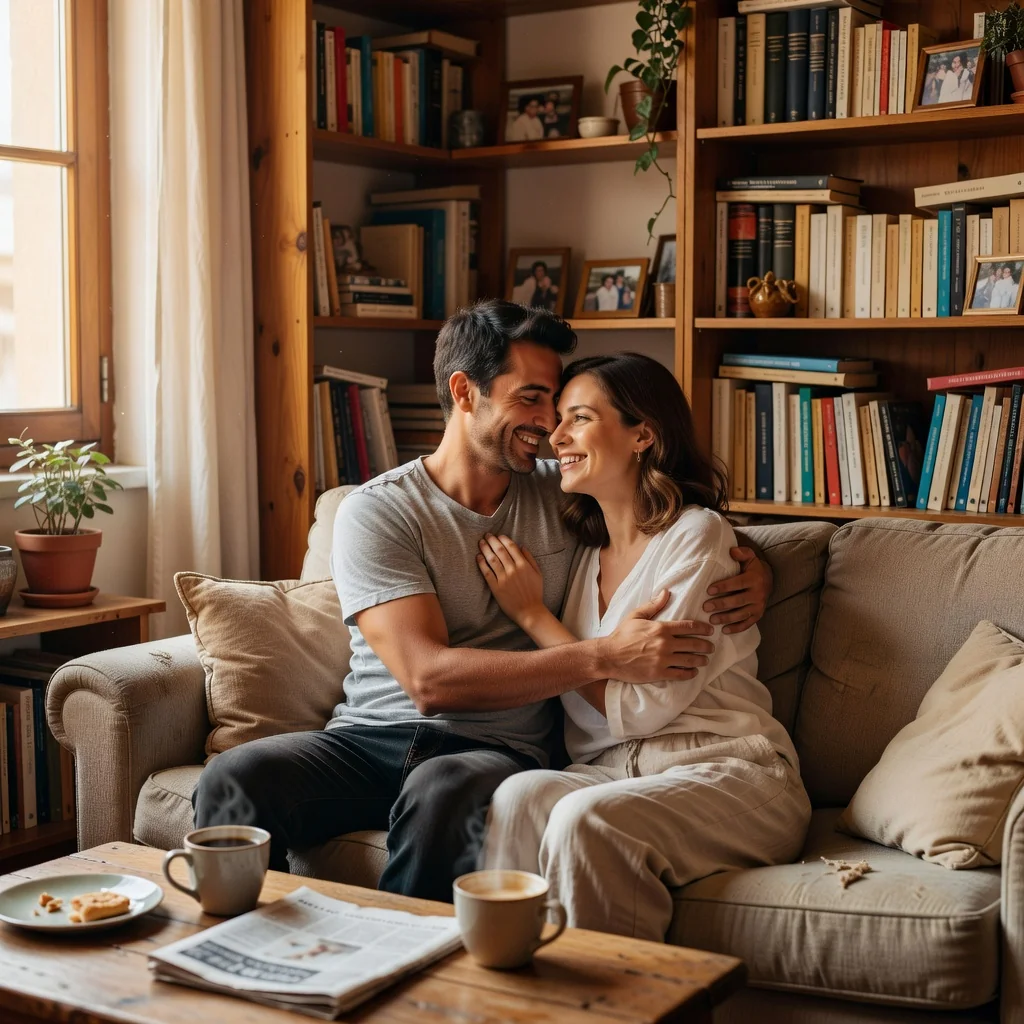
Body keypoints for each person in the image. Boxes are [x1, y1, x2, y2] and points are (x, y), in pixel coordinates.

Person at [193, 302, 772, 904]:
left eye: (555, 402)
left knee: (444, 788)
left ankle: (406, 972)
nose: (550, 423)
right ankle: (234, 958)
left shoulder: (564, 491)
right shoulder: (378, 511)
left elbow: (671, 523)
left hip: (497, 750)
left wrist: (758, 572)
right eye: (531, 398)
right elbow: (429, 681)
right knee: (236, 777)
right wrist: (602, 656)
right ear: (465, 392)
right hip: (372, 739)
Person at [478, 353, 810, 940]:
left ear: (643, 435)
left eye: (578, 418)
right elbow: (595, 712)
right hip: (613, 772)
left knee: (585, 820)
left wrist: (532, 615)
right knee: (520, 796)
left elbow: (637, 709)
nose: (556, 437)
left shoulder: (697, 535)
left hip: (728, 770)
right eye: (558, 420)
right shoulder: (584, 556)